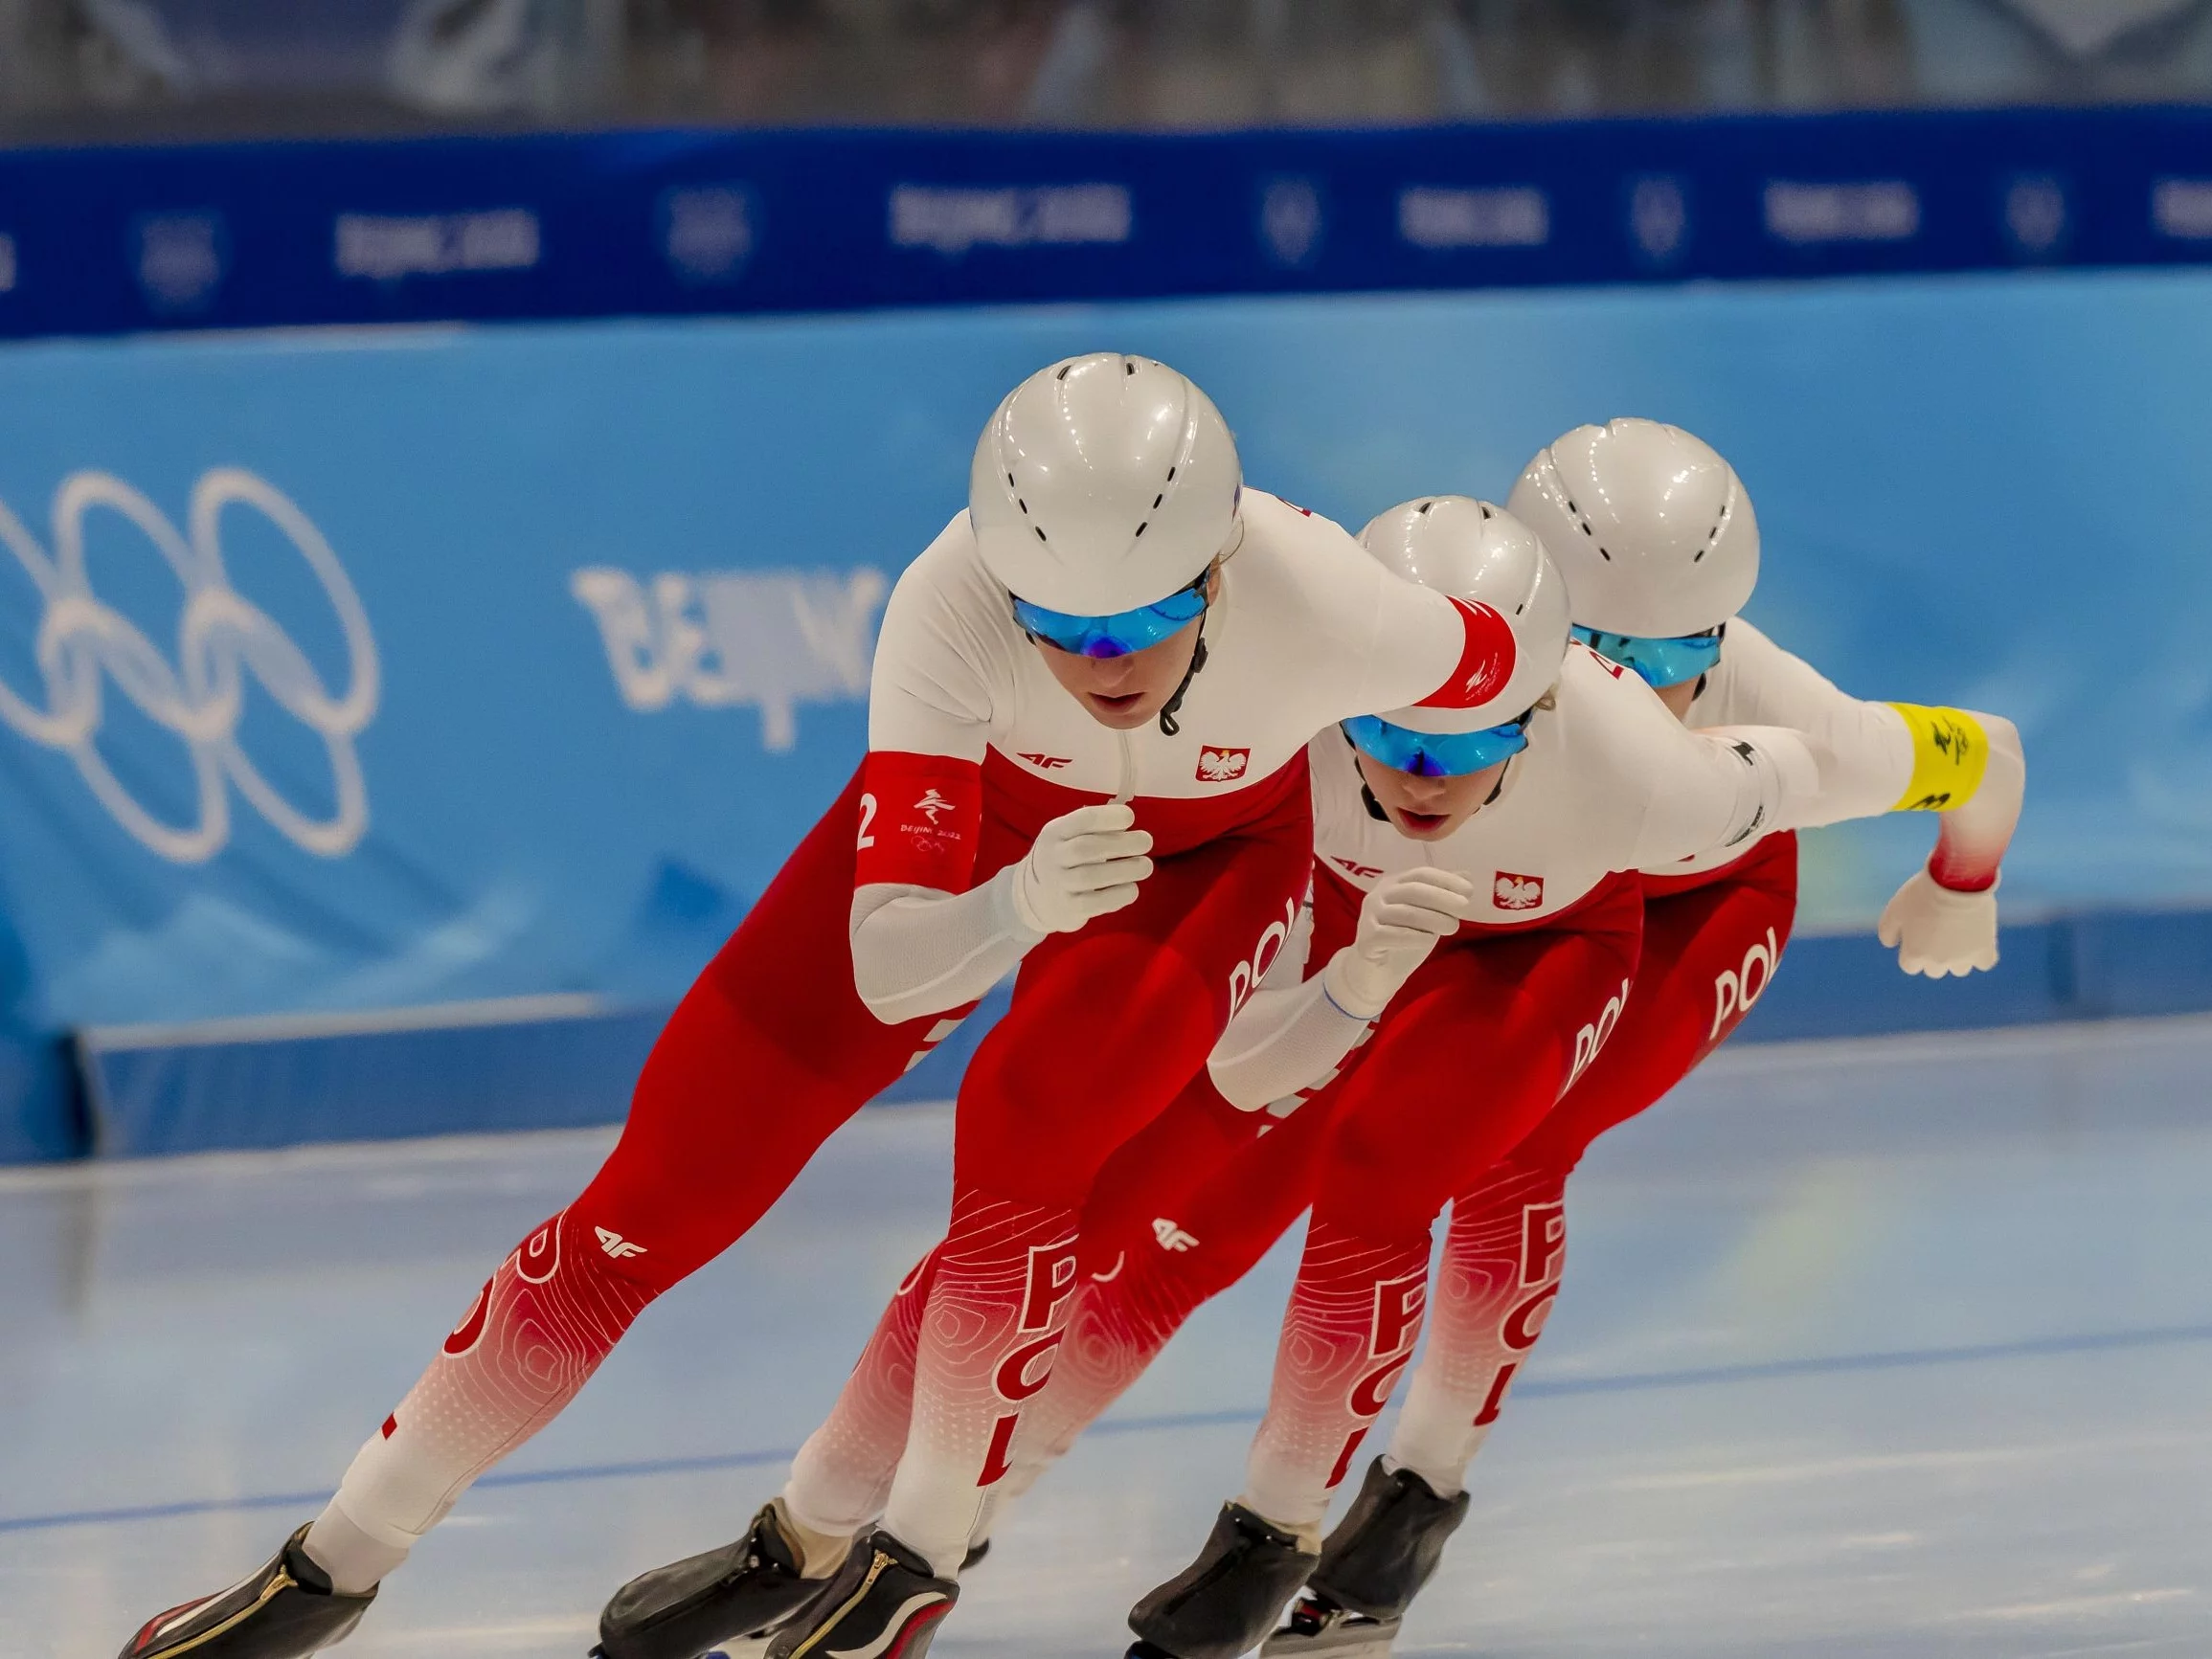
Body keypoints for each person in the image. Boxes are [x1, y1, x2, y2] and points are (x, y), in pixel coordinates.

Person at [118, 353, 1521, 1659]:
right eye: (1059, 622)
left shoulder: (1340, 607)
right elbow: (894, 965)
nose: (1103, 659)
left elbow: (1527, 661)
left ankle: (894, 1561)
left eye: (1147, 615)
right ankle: (330, 1567)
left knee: (1026, 1158)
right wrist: (1019, 901)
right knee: (649, 1200)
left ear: (1218, 570)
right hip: (992, 838)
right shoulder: (946, 600)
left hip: (1205, 860)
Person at [598, 486, 1839, 1659]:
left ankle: (1361, 1510)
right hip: (1366, 927)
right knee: (1098, 1223)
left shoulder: (1652, 758)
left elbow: (1902, 759)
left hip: (1581, 929)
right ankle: (831, 1535)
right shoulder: (1306, 688)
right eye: (1387, 733)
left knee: (1427, 1166)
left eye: (1682, 662)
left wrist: (1963, 857)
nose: (1420, 767)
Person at [1013, 423, 2021, 1659]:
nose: (1632, 689)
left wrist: (1960, 881)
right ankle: (963, 1500)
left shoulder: (1790, 725)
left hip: (1676, 916)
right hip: (1469, 886)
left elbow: (1981, 756)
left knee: (1501, 1151)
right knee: (1232, 1181)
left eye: (1673, 656)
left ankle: (1402, 1512)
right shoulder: (1422, 661)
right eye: (1596, 652)